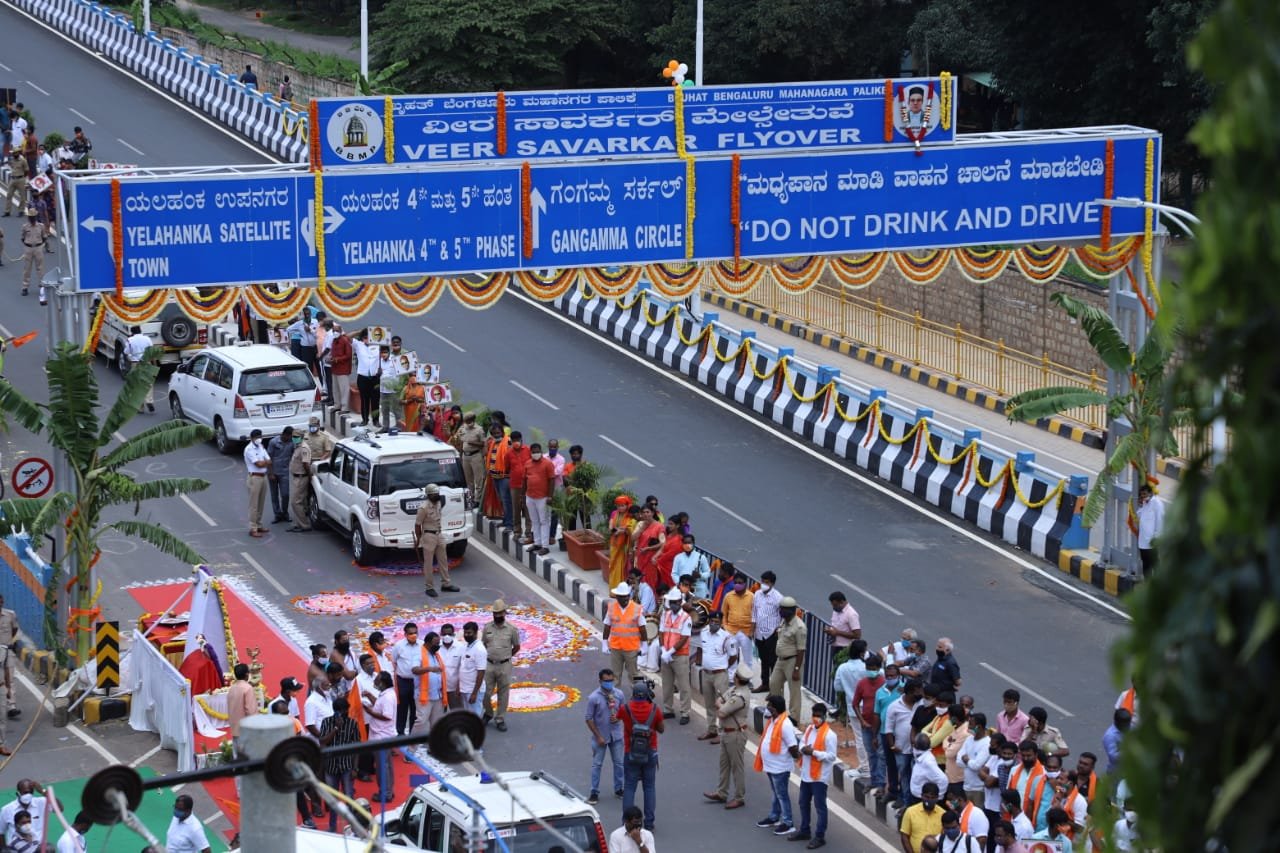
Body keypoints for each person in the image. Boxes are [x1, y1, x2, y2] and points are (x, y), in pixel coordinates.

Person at [788, 701, 838, 848]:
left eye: (819, 716)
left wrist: (814, 752)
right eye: (814, 715)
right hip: (806, 774)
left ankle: (820, 836)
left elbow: (831, 756)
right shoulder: (810, 729)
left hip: (819, 777)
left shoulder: (830, 735)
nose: (816, 718)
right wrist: (804, 749)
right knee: (803, 803)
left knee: (820, 807)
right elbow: (802, 743)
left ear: (824, 716)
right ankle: (805, 830)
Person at [702, 662, 752, 809]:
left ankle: (739, 797)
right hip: (726, 732)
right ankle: (722, 792)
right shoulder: (734, 690)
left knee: (737, 767)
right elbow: (720, 702)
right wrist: (722, 706)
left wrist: (722, 707)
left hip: (735, 734)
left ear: (737, 678)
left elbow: (722, 711)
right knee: (724, 765)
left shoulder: (740, 696)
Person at [618, 680, 664, 832]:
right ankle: (649, 823)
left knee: (630, 787)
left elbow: (617, 717)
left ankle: (627, 822)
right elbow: (661, 729)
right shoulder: (654, 709)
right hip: (650, 752)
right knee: (649, 787)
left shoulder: (625, 709)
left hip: (630, 752)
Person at [754, 693, 800, 836]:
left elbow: (793, 747)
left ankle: (788, 823)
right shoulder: (773, 721)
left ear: (775, 709)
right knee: (776, 793)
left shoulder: (785, 724)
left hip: (780, 767)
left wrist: (798, 759)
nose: (767, 708)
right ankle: (774, 817)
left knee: (782, 794)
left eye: (769, 706)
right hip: (771, 766)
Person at [317, 696, 361, 830]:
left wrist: (355, 768)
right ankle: (332, 827)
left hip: (347, 766)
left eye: (346, 710)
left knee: (349, 797)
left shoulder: (353, 724)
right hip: (330, 767)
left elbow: (357, 747)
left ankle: (352, 827)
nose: (346, 712)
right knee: (333, 799)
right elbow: (323, 741)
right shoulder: (326, 722)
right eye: (343, 710)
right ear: (336, 711)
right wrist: (336, 728)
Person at [585, 668, 625, 804]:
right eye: (606, 681)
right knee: (597, 765)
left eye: (611, 680)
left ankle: (619, 788)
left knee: (619, 763)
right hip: (600, 737)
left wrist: (618, 718)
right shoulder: (593, 698)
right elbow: (588, 718)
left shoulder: (619, 694)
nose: (609, 683)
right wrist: (598, 736)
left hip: (616, 736)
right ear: (600, 681)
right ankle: (594, 792)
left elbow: (624, 711)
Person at [481, 599, 521, 731]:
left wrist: (506, 657)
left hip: (504, 665)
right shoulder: (487, 627)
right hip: (489, 664)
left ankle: (500, 718)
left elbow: (516, 646)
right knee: (485, 692)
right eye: (495, 613)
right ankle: (488, 713)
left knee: (503, 693)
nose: (497, 616)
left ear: (504, 613)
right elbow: (483, 644)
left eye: (500, 613)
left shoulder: (511, 629)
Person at [415, 483, 458, 597]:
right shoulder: (423, 508)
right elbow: (417, 525)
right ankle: (429, 587)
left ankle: (446, 584)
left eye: (437, 493)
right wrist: (418, 539)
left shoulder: (438, 503)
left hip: (439, 534)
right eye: (434, 494)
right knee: (428, 563)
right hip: (429, 536)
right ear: (429, 495)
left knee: (443, 560)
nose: (437, 495)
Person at [852, 653, 887, 794]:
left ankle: (881, 783)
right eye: (868, 668)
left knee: (880, 754)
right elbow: (855, 704)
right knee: (871, 754)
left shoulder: (884, 683)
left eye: (872, 668)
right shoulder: (862, 683)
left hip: (881, 726)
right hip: (866, 725)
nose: (870, 670)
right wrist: (862, 721)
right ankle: (874, 781)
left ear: (878, 668)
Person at [769, 597, 807, 723]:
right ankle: (778, 711)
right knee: (774, 683)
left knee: (794, 691)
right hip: (780, 660)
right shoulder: (784, 622)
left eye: (784, 609)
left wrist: (797, 669)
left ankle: (794, 719)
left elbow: (801, 650)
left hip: (793, 660)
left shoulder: (799, 627)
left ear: (792, 610)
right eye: (781, 608)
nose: (781, 611)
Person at [603, 583, 645, 689]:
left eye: (626, 596)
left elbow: (643, 628)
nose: (625, 598)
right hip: (616, 647)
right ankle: (615, 698)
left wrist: (644, 645)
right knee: (615, 675)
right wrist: (604, 642)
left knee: (633, 675)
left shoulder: (636, 608)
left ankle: (636, 700)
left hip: (631, 648)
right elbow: (607, 625)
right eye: (622, 597)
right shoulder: (612, 608)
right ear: (617, 597)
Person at [365, 671, 397, 802]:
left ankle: (385, 793)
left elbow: (386, 715)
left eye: (377, 680)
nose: (375, 682)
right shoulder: (386, 694)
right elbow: (379, 704)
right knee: (387, 765)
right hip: (384, 735)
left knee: (382, 767)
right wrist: (370, 696)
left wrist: (370, 712)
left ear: (383, 683)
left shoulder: (388, 697)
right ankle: (389, 791)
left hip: (382, 736)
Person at [1008, 740, 1051, 832]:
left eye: (1029, 756)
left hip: (1035, 821)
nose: (1026, 758)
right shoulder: (1014, 771)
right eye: (1023, 756)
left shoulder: (1044, 773)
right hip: (1016, 819)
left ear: (1036, 755)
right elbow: (1009, 795)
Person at [523, 442, 556, 554]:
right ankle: (537, 543)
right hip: (530, 496)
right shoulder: (527, 464)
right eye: (533, 452)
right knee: (534, 521)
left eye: (537, 451)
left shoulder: (548, 464)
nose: (535, 453)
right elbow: (525, 480)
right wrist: (523, 495)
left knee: (544, 521)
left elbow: (552, 480)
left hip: (543, 498)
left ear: (541, 451)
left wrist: (550, 496)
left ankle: (545, 546)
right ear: (530, 453)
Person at [412, 631, 448, 733]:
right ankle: (410, 748)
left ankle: (435, 746)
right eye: (436, 643)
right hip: (424, 696)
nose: (438, 646)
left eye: (438, 643)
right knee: (421, 722)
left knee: (437, 723)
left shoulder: (436, 655)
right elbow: (414, 670)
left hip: (437, 696)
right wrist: (429, 669)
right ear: (427, 643)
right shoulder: (418, 654)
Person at [391, 623, 423, 735]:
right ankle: (400, 732)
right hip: (403, 681)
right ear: (405, 634)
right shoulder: (399, 646)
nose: (413, 635)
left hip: (417, 681)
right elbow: (394, 661)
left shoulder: (422, 645)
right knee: (402, 708)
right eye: (410, 633)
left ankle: (412, 733)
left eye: (415, 633)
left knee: (415, 708)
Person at [899, 781, 944, 853]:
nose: (929, 800)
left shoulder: (943, 814)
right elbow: (904, 836)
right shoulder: (910, 812)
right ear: (922, 796)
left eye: (933, 798)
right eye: (927, 797)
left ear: (937, 798)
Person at [0, 780, 50, 845]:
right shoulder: (7, 809)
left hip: (38, 848)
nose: (28, 795)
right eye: (25, 792)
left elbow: (59, 808)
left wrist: (43, 791)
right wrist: (3, 849)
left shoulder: (41, 802)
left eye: (30, 792)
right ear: (18, 793)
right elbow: (0, 831)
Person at [266, 426, 296, 524]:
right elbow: (268, 458)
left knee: (285, 494)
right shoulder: (273, 442)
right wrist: (270, 473)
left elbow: (293, 455)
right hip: (273, 472)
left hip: (284, 472)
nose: (291, 438)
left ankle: (285, 512)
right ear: (285, 435)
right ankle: (277, 514)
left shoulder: (292, 443)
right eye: (290, 436)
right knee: (274, 495)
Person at [631, 506, 665, 591]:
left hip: (651, 560)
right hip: (640, 558)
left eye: (648, 512)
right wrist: (641, 529)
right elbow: (632, 538)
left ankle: (650, 601)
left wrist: (649, 548)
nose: (646, 514)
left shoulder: (659, 526)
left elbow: (663, 543)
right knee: (639, 580)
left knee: (650, 582)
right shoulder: (640, 524)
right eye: (643, 512)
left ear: (652, 513)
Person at [243, 429, 270, 537]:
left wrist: (264, 463)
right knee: (254, 504)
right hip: (254, 478)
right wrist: (265, 463)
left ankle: (258, 524)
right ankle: (253, 528)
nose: (259, 438)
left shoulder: (261, 447)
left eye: (260, 436)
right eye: (257, 437)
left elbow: (269, 460)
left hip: (263, 477)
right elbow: (258, 464)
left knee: (261, 503)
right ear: (252, 438)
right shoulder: (249, 449)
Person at [123, 325, 156, 413]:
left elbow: (126, 352)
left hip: (135, 363)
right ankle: (149, 401)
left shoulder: (130, 340)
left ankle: (140, 406)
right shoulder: (147, 339)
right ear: (140, 330)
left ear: (132, 332)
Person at [606, 495, 636, 589]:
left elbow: (631, 528)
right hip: (614, 544)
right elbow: (611, 524)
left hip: (624, 546)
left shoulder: (629, 515)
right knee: (613, 565)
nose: (620, 508)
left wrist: (622, 531)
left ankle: (622, 588)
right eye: (618, 505)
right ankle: (613, 588)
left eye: (623, 505)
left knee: (623, 567)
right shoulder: (614, 513)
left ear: (627, 505)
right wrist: (612, 529)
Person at [287, 431, 314, 533]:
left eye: (296, 437)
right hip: (296, 477)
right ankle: (299, 523)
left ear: (301, 437)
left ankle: (305, 525)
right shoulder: (297, 446)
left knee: (295, 502)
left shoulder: (303, 448)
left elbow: (306, 464)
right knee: (300, 502)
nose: (294, 438)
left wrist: (309, 475)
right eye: (293, 436)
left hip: (301, 477)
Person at [1136, 483, 1164, 578]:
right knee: (1145, 563)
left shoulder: (1157, 504)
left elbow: (1159, 520)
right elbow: (1140, 516)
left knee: (1154, 563)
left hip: (1152, 540)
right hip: (1143, 540)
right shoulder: (1145, 503)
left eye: (1144, 494)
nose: (1143, 496)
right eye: (1141, 494)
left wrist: (1156, 536)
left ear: (1150, 493)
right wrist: (1140, 505)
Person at [455, 412, 486, 501]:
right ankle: (470, 498)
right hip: (465, 456)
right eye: (466, 421)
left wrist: (470, 442)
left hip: (476, 455)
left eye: (469, 421)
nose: (468, 423)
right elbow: (458, 439)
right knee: (468, 480)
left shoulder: (479, 430)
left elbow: (482, 443)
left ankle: (478, 499)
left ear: (473, 420)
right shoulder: (463, 428)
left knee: (479, 479)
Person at [225, 663, 257, 748]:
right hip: (246, 729)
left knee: (237, 755)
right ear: (247, 674)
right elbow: (251, 710)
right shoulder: (247, 688)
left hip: (235, 727)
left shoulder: (232, 688)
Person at [458, 621, 486, 716]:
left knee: (475, 717)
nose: (466, 635)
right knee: (467, 716)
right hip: (464, 689)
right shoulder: (465, 646)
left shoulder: (479, 649)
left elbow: (481, 672)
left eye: (469, 633)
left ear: (476, 633)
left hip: (473, 691)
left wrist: (475, 693)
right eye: (465, 633)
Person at [0, 593, 19, 720]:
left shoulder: (10, 615)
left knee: (10, 679)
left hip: (7, 650)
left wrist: (12, 644)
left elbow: (15, 630)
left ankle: (11, 706)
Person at [1102, 707, 1131, 772]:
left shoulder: (1129, 727)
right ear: (1116, 722)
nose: (1127, 727)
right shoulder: (1110, 736)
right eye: (1124, 725)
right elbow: (1114, 757)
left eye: (1128, 724)